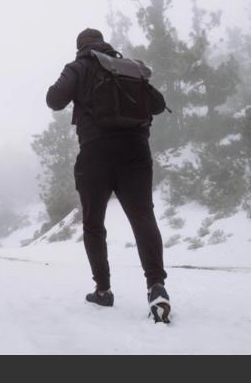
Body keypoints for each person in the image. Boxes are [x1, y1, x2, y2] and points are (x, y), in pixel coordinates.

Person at [45, 27, 171, 323]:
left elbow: (54, 99)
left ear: (80, 47)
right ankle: (156, 286)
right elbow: (157, 104)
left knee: (93, 224)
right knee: (143, 216)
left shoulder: (78, 66)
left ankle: (103, 290)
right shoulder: (128, 67)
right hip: (136, 152)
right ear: (104, 44)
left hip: (96, 152)